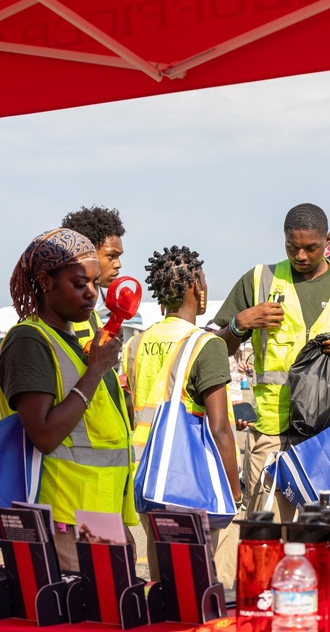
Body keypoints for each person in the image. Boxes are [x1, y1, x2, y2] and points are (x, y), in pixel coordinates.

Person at [213, 203, 330, 521]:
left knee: (329, 530)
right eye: (293, 247)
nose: (302, 256)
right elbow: (215, 348)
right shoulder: (259, 280)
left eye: (311, 248)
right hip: (271, 433)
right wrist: (239, 324)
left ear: (328, 240)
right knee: (269, 530)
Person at [0, 228, 135, 572]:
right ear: (45, 281)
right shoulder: (29, 341)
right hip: (63, 519)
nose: (91, 295)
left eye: (95, 285)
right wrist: (96, 371)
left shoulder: (71, 341)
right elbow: (43, 435)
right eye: (78, 284)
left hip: (97, 515)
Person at [122, 245, 242, 586]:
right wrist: (234, 490)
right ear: (195, 287)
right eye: (202, 279)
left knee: (163, 582)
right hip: (189, 479)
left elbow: (134, 408)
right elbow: (218, 428)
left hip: (145, 476)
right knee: (197, 585)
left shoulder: (136, 344)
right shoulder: (207, 344)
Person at [61, 206, 126, 334]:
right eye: (111, 256)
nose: (118, 264)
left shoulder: (91, 313)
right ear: (87, 254)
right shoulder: (56, 317)